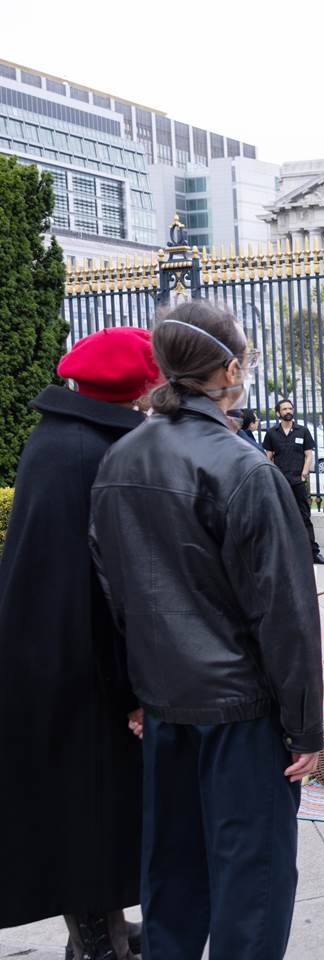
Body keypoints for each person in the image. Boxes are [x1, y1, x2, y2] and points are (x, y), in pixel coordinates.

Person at [89, 300, 324, 958]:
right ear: (228, 369)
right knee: (252, 885)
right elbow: (284, 612)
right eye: (242, 360)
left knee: (173, 878)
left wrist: (133, 694)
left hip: (165, 707)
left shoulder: (119, 462)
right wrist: (304, 726)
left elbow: (112, 596)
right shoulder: (243, 468)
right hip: (240, 716)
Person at [0, 328, 159, 960]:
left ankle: (106, 928)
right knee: (88, 810)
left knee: (94, 805)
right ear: (137, 386)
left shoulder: (61, 437)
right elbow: (109, 586)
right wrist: (132, 687)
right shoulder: (93, 451)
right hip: (80, 665)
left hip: (54, 657)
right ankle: (97, 943)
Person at [263, 398, 324, 564]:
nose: (288, 411)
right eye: (284, 409)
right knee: (280, 517)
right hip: (280, 482)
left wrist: (304, 473)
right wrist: (273, 476)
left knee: (304, 517)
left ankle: (313, 553)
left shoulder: (302, 431)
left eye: (290, 408)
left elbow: (309, 454)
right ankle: (284, 556)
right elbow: (268, 457)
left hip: (298, 481)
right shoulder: (272, 433)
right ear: (278, 413)